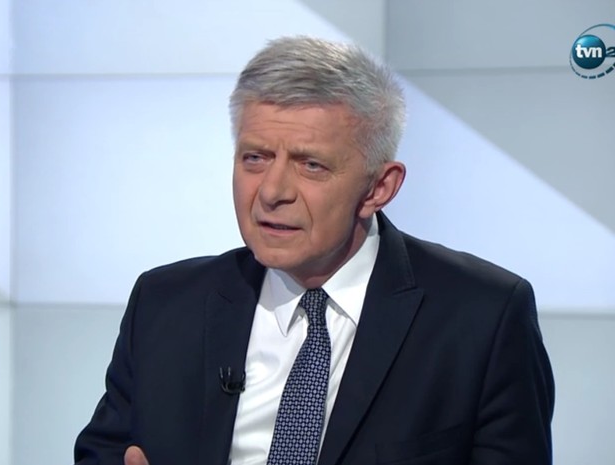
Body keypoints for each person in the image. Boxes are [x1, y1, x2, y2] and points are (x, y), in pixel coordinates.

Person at [73, 36, 554, 465]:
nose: (271, 191)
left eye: (311, 165)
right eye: (255, 158)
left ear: (379, 188)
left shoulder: (482, 318)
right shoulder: (165, 302)